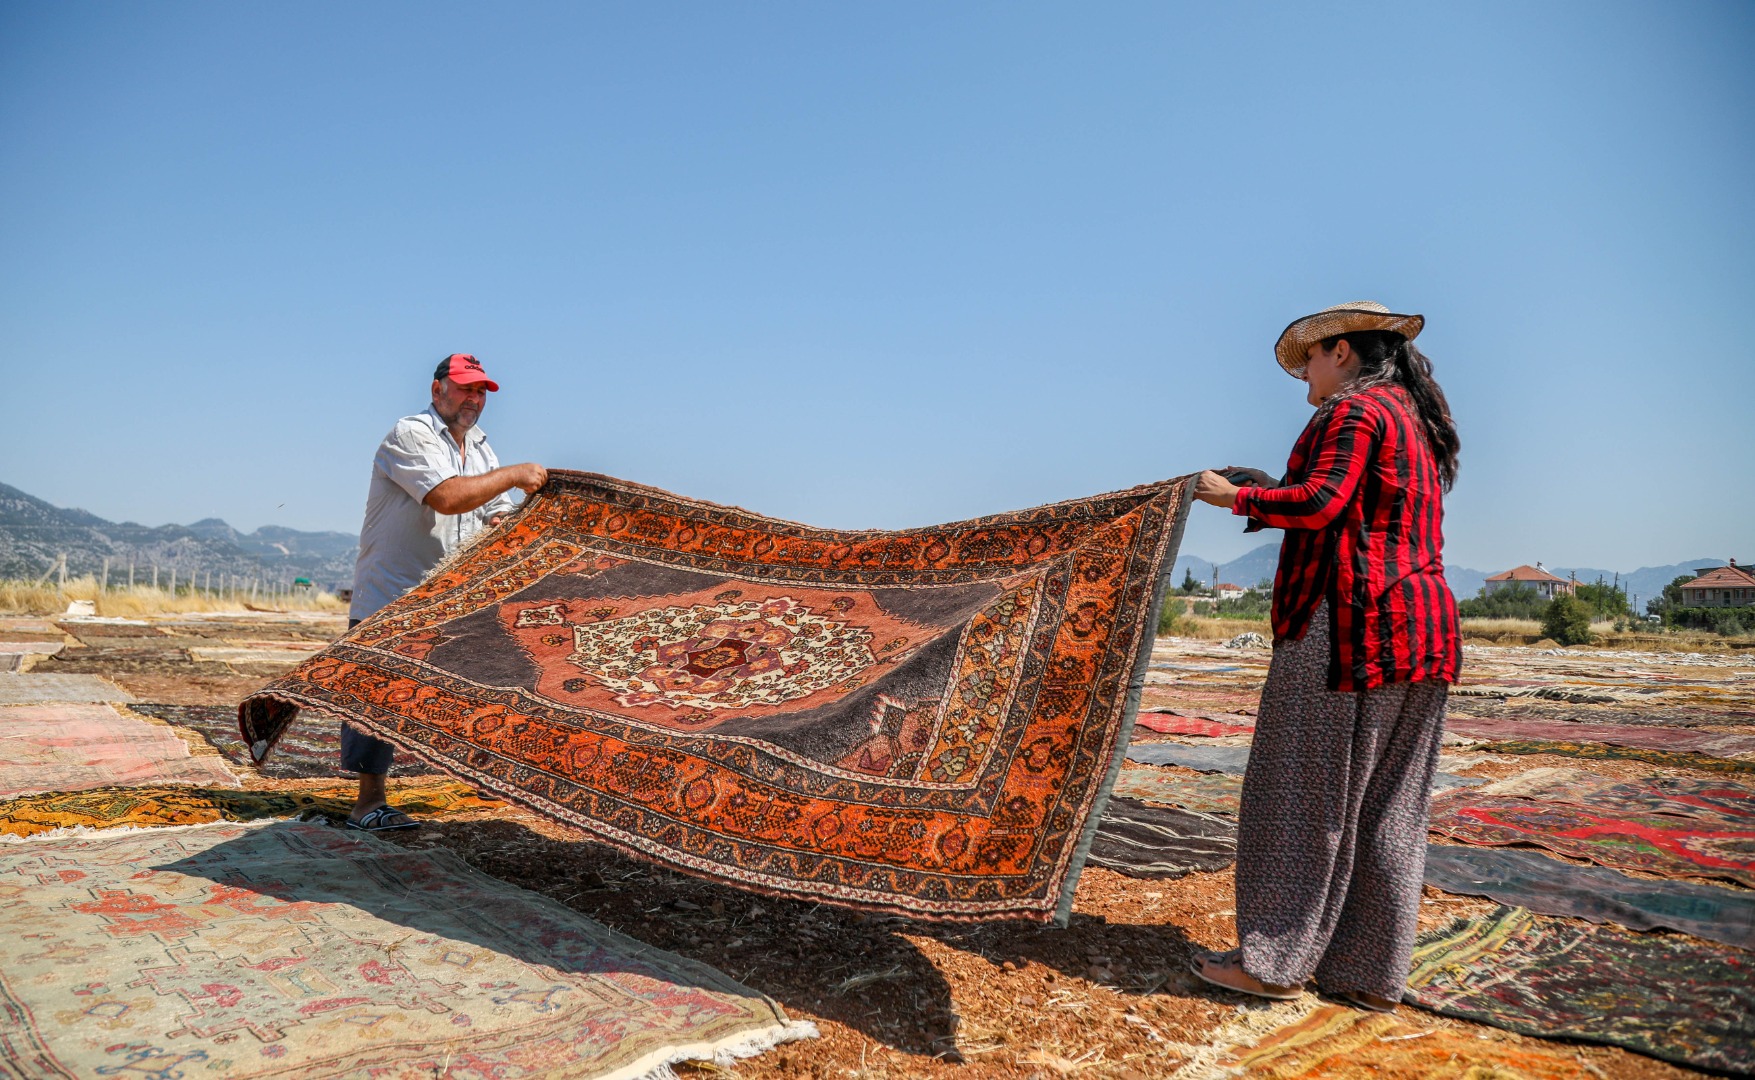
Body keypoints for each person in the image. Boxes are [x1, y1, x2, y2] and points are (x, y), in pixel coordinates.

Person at [1187, 301, 1461, 1013]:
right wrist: (1260, 488)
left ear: (1340, 351)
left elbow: (1321, 504)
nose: (1303, 374)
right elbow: (1350, 503)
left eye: (1308, 358)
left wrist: (1231, 495)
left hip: (1347, 627)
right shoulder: (1410, 417)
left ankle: (1273, 963)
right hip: (1418, 627)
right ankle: (1367, 974)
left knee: (1301, 798)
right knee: (1386, 809)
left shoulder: (1352, 412)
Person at [343, 353, 548, 831]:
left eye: (480, 392)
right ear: (437, 390)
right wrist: (518, 475)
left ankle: (481, 778)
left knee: (490, 676)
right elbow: (448, 497)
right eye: (464, 388)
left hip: (449, 597)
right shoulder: (410, 435)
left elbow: (492, 512)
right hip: (393, 593)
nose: (473, 400)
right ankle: (367, 805)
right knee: (376, 696)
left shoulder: (480, 449)